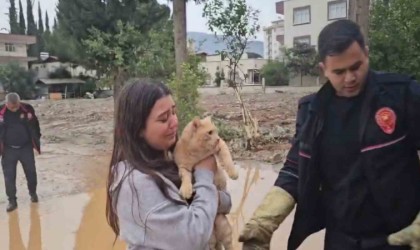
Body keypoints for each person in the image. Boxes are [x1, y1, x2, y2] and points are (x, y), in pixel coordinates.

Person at [239, 19, 420, 250]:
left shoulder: (401, 95)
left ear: (366, 54)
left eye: (356, 67)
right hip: (341, 240)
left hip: (401, 238)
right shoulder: (312, 112)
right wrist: (264, 221)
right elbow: (295, 169)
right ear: (323, 69)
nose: (350, 78)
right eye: (339, 71)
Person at [105, 79, 232, 250]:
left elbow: (226, 202)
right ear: (138, 129)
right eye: (164, 118)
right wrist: (204, 174)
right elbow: (193, 237)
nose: (174, 122)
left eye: (173, 112)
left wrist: (210, 193)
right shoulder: (135, 185)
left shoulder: (170, 158)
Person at [0, 92, 41, 213]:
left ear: (19, 102)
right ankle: (12, 201)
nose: (15, 108)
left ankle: (33, 193)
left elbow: (35, 124)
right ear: (6, 104)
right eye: (12, 107)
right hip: (8, 150)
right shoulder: (1, 111)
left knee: (31, 173)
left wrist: (37, 139)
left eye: (17, 105)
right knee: (9, 177)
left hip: (26, 148)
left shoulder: (27, 108)